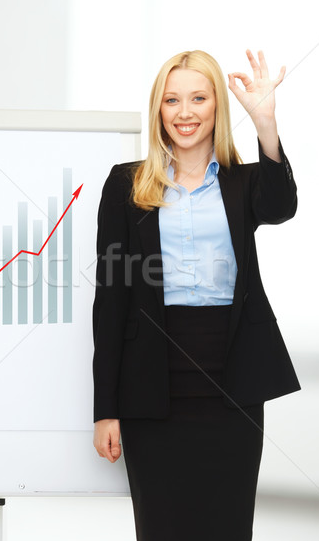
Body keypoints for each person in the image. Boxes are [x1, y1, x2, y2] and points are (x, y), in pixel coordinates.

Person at [91, 49, 301, 540]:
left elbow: (281, 206)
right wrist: (106, 408)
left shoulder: (243, 181)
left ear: (216, 107)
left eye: (198, 98)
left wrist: (265, 122)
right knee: (161, 528)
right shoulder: (126, 184)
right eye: (172, 100)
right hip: (152, 387)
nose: (185, 112)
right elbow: (111, 301)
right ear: (158, 110)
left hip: (233, 386)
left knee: (227, 528)